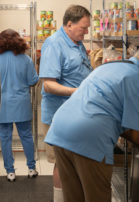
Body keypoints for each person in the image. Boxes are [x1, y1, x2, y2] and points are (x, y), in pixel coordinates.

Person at [44, 44, 139, 202]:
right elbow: (136, 134)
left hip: (61, 129)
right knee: (97, 196)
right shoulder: (138, 80)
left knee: (74, 197)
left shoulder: (111, 66)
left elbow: (123, 125)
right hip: (89, 137)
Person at [39, 4, 92, 201]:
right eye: (83, 28)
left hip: (77, 114)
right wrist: (78, 92)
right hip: (58, 116)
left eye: (87, 28)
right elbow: (48, 85)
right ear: (69, 24)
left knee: (74, 163)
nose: (86, 33)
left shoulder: (77, 43)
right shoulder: (54, 44)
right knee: (61, 164)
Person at [0, 29, 39, 181]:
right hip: (21, 103)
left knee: (5, 138)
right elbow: (33, 81)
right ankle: (31, 168)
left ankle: (10, 171)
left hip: (2, 104)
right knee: (26, 136)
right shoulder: (25, 59)